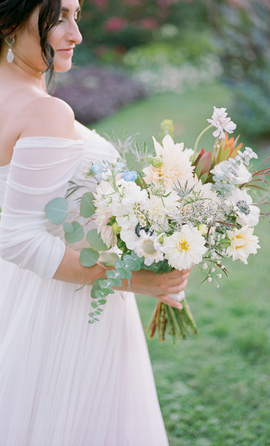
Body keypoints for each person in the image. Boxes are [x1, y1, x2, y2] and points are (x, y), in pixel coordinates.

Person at [0, 1, 191, 443]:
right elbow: (15, 237)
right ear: (10, 22)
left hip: (18, 295)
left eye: (77, 15)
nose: (76, 34)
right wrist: (139, 280)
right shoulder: (44, 112)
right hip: (68, 312)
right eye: (59, 17)